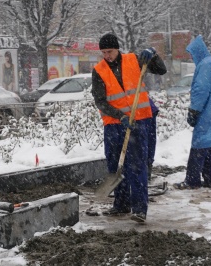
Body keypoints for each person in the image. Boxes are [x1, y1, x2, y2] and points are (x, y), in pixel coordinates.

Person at [91, 33, 167, 223]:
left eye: (109, 51)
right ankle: (121, 204)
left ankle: (139, 209)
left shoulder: (134, 60)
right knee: (115, 166)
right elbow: (100, 101)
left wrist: (154, 55)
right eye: (104, 52)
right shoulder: (98, 70)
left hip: (138, 122)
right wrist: (120, 116)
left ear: (117, 48)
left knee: (136, 166)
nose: (107, 55)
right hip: (114, 125)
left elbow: (161, 70)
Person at [173, 35, 211, 190]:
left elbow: (201, 90)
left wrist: (194, 110)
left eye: (192, 54)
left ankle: (192, 180)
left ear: (198, 51)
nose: (191, 57)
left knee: (199, 143)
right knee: (210, 143)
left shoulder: (205, 65)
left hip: (206, 111)